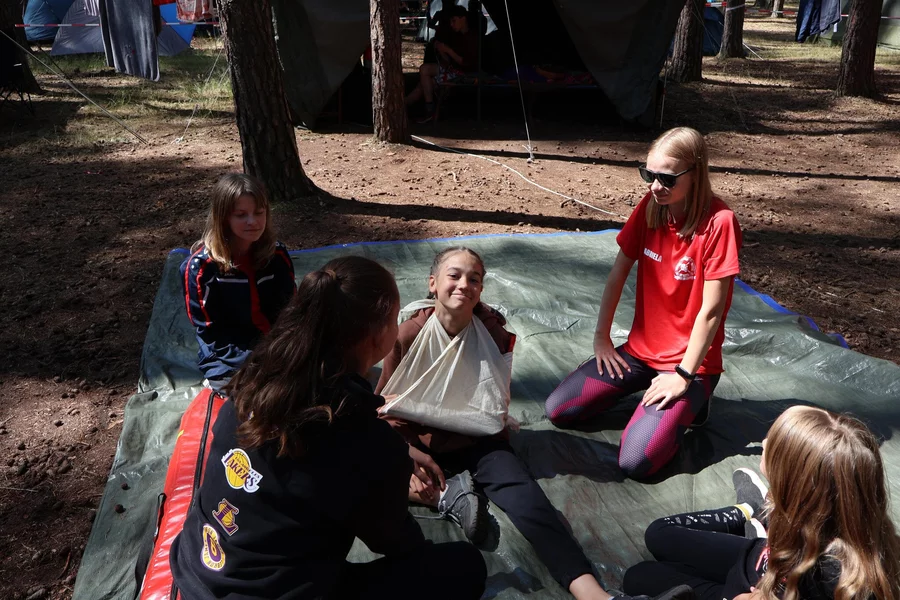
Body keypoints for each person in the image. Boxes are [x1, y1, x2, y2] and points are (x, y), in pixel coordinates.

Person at [376, 247, 694, 600]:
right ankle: (450, 495)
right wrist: (406, 453)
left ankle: (594, 595)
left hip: (479, 441)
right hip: (422, 443)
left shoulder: (491, 333)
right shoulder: (408, 336)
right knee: (372, 474)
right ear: (432, 284)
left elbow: (491, 401)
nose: (464, 284)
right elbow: (387, 408)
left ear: (481, 289)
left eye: (474, 279)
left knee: (531, 504)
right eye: (454, 275)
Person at [170, 256, 487, 600]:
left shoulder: (255, 379)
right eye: (395, 319)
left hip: (195, 567)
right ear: (378, 336)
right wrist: (390, 473)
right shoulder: (366, 444)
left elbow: (308, 458)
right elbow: (395, 541)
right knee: (464, 565)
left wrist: (392, 453)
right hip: (266, 592)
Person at [544, 127, 742, 479]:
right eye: (648, 175)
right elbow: (617, 273)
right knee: (559, 409)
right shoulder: (651, 208)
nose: (655, 186)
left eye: (667, 178)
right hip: (639, 354)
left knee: (635, 461)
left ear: (695, 173)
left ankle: (695, 403)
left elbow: (711, 312)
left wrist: (683, 376)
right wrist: (602, 338)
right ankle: (658, 401)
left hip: (688, 365)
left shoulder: (719, 222)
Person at [622, 405, 900, 600]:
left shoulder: (829, 576)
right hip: (758, 557)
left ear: (794, 482)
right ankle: (749, 510)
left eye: (773, 444)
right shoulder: (830, 513)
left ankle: (756, 519)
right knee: (658, 533)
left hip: (749, 586)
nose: (764, 442)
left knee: (638, 577)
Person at [181, 173, 295, 391]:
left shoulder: (276, 254)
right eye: (241, 215)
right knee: (251, 389)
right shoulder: (201, 268)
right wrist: (255, 360)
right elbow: (211, 334)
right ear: (223, 218)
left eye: (259, 213)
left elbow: (290, 309)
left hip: (275, 343)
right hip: (229, 354)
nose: (253, 222)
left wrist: (286, 347)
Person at [405, 4, 478, 122]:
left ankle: (423, 108)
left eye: (454, 21)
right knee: (424, 69)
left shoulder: (472, 37)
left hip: (462, 73)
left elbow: (465, 62)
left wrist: (448, 50)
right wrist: (442, 50)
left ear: (463, 19)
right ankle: (407, 105)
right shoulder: (456, 36)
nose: (452, 24)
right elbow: (449, 61)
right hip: (451, 69)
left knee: (424, 86)